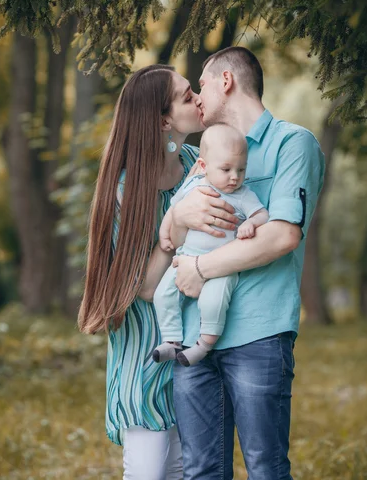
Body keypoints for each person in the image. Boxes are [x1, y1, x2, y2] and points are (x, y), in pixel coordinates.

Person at [77, 64, 238, 480]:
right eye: (188, 97)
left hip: (191, 346)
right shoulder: (127, 189)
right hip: (143, 354)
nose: (199, 99)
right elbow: (145, 288)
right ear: (164, 119)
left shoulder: (194, 164)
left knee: (188, 468)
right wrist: (177, 223)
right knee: (149, 473)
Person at [171, 46, 326, 479]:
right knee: (200, 470)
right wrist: (179, 219)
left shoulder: (293, 144)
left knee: (265, 469)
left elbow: (282, 234)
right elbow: (177, 232)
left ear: (226, 81)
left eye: (200, 84)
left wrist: (201, 269)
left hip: (259, 337)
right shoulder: (201, 160)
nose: (197, 97)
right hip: (192, 340)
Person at [153, 124, 269, 367]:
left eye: (241, 169)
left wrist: (252, 224)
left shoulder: (242, 194)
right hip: (186, 257)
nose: (235, 177)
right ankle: (172, 340)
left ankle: (203, 345)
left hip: (221, 264)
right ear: (204, 166)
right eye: (226, 169)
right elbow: (174, 210)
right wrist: (165, 233)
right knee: (163, 294)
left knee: (212, 303)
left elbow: (262, 214)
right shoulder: (194, 184)